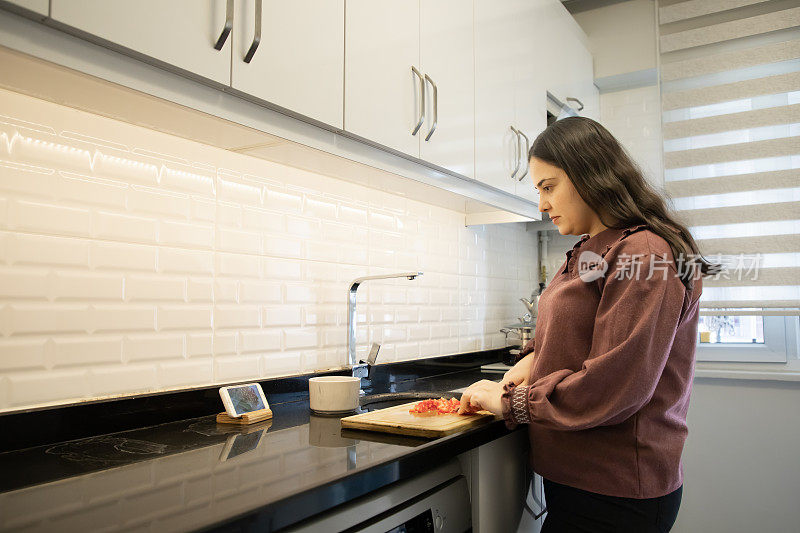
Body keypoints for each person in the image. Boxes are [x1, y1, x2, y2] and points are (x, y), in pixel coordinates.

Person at [458, 116, 718, 532]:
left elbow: (616, 386)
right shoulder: (590, 249)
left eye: (548, 186)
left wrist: (510, 402)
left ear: (589, 174)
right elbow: (576, 336)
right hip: (581, 481)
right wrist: (532, 358)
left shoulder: (645, 251)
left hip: (616, 491)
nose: (541, 204)